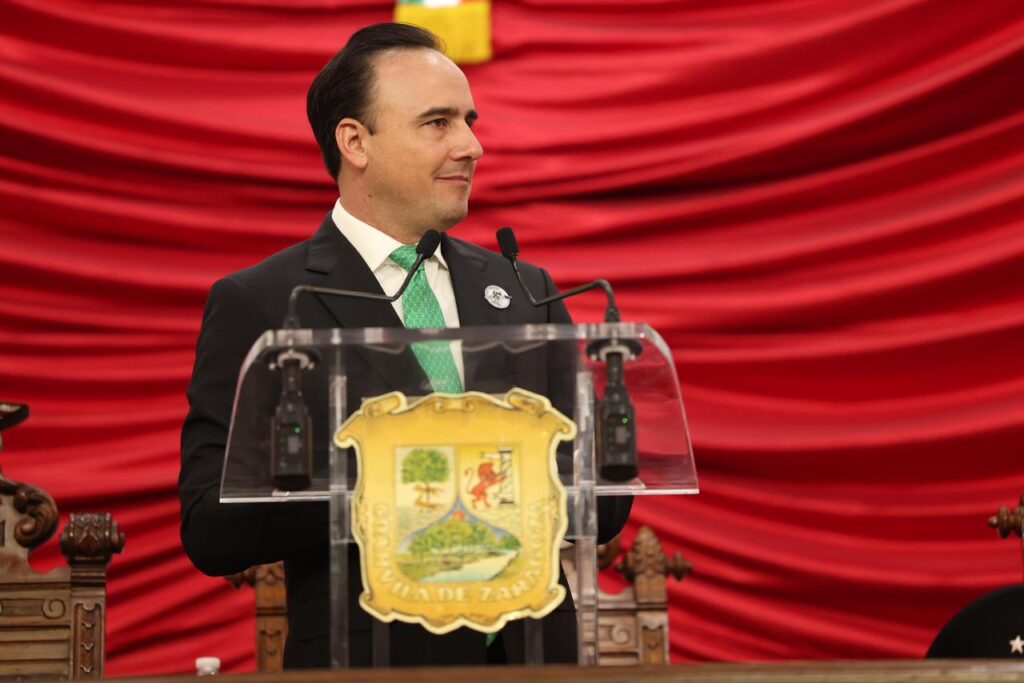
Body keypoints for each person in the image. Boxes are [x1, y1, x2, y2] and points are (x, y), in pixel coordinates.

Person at [179, 22, 630, 669]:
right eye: (438, 123)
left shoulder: (523, 289)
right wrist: (395, 476)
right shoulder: (266, 302)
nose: (471, 146)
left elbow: (605, 500)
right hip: (366, 661)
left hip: (536, 658)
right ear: (355, 141)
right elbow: (210, 525)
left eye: (469, 121)